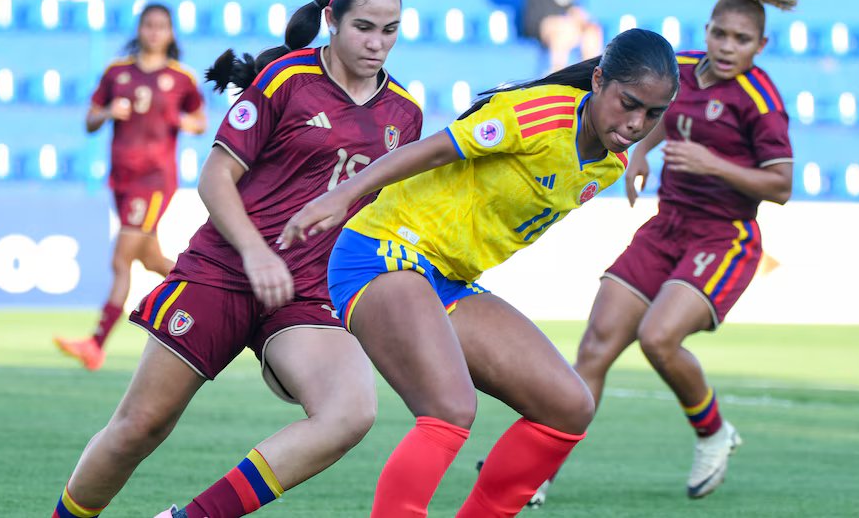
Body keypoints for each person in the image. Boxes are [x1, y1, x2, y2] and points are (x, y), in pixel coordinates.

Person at [50, 0, 421, 518]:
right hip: (223, 271)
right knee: (138, 429)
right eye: (363, 27)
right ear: (331, 21)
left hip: (307, 296)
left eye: (389, 30)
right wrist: (255, 253)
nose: (377, 43)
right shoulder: (286, 80)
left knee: (350, 413)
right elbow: (214, 178)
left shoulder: (405, 115)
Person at [280, 28, 678, 517]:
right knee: (450, 409)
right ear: (598, 81)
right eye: (629, 103)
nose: (637, 123)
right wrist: (343, 196)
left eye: (653, 114)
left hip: (446, 279)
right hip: (384, 249)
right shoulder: (537, 114)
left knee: (568, 406)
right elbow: (431, 150)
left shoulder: (608, 165)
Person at [544, 0, 803, 504]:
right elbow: (659, 112)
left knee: (658, 338)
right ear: (706, 31)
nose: (727, 46)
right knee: (595, 347)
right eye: (719, 34)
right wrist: (641, 152)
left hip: (724, 237)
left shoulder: (759, 99)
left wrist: (713, 163)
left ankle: (713, 434)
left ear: (761, 45)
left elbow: (782, 185)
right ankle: (538, 472)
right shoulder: (682, 68)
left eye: (741, 39)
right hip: (666, 228)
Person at [54, 3, 207, 371]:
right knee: (151, 259)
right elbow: (89, 120)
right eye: (148, 25)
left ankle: (95, 343)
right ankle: (207, 297)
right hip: (121, 177)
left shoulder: (181, 78)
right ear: (139, 29)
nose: (154, 32)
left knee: (121, 259)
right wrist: (107, 113)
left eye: (161, 26)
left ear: (170, 34)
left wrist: (180, 120)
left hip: (154, 179)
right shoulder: (116, 72)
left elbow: (200, 121)